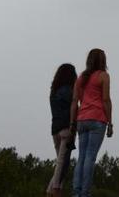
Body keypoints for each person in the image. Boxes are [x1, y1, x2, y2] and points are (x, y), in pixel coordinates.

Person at [70, 49, 113, 197]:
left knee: (81, 157)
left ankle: (76, 192)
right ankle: (85, 193)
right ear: (103, 61)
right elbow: (106, 100)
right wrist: (110, 122)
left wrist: (72, 123)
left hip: (81, 119)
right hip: (97, 119)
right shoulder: (103, 76)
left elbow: (75, 102)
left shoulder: (81, 78)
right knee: (90, 157)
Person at [47, 63, 77, 197]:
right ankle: (54, 189)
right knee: (62, 162)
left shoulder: (53, 92)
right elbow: (74, 108)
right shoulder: (69, 91)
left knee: (61, 161)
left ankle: (53, 188)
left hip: (55, 129)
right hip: (66, 127)